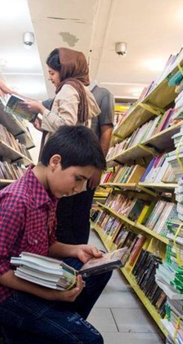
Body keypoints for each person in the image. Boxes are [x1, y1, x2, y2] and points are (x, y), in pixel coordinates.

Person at [0, 125, 112, 344]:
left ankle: (51, 322)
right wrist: (49, 294)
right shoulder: (16, 201)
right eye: (78, 178)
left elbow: (45, 244)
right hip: (5, 294)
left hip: (31, 275)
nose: (79, 189)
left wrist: (75, 250)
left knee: (99, 268)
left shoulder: (49, 194)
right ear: (55, 162)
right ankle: (3, 333)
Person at [0, 47, 101, 149]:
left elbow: (66, 127)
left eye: (52, 73)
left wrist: (41, 109)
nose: (49, 78)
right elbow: (66, 127)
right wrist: (43, 125)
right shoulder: (77, 89)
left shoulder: (69, 89)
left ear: (64, 71)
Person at [53, 82, 115, 244]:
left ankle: (79, 254)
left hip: (87, 170)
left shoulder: (102, 94)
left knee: (80, 215)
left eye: (53, 73)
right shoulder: (67, 92)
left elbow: (106, 131)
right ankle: (65, 255)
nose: (51, 78)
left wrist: (98, 168)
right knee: (61, 216)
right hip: (66, 169)